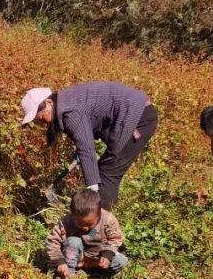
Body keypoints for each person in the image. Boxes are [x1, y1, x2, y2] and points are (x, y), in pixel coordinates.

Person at [21, 81, 157, 210]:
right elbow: (86, 125)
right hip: (132, 115)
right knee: (104, 172)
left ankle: (99, 222)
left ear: (49, 103)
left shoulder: (69, 111)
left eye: (40, 118)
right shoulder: (65, 101)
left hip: (138, 118)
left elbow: (86, 148)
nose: (41, 123)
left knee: (107, 174)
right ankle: (99, 215)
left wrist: (92, 189)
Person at [45, 188, 128, 279]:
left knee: (121, 261)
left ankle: (99, 274)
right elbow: (52, 241)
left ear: (99, 213)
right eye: (80, 224)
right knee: (73, 241)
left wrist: (108, 254)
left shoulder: (108, 220)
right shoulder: (67, 221)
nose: (85, 228)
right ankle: (68, 273)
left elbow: (115, 239)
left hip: (98, 257)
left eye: (90, 224)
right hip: (76, 256)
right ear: (72, 214)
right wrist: (59, 261)